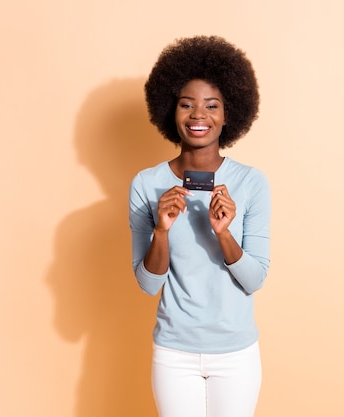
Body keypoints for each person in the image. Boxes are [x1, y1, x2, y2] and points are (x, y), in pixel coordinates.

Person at [129, 35, 271, 417]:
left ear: (229, 115)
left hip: (236, 354)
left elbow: (255, 279)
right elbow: (148, 284)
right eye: (186, 104)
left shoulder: (252, 183)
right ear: (170, 110)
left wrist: (224, 233)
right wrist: (161, 230)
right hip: (175, 352)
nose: (198, 116)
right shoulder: (146, 184)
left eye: (212, 106)